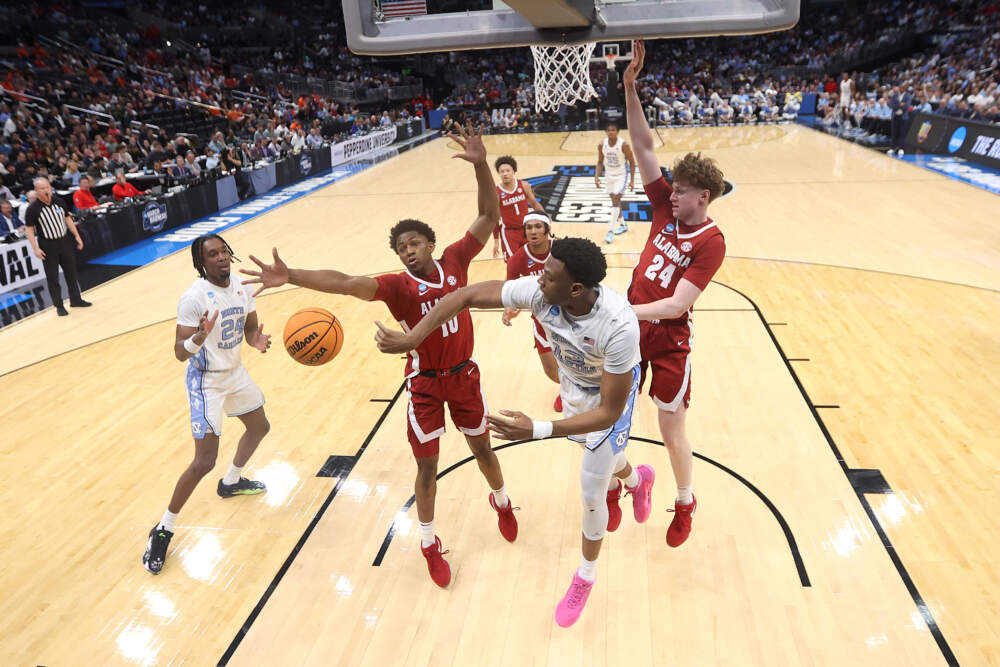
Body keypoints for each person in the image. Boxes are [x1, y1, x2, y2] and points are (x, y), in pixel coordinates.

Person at [241, 124, 517, 589]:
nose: (408, 252)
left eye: (414, 244)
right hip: (425, 383)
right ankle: (428, 542)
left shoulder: (455, 260)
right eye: (401, 248)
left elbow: (490, 215)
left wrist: (481, 166)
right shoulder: (396, 286)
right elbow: (346, 282)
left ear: (430, 244)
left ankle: (503, 502)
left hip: (465, 377)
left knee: (482, 449)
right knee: (427, 466)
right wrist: (293, 276)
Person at [375, 236, 656, 628]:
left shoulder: (619, 325)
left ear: (575, 289)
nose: (539, 279)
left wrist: (537, 428)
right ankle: (637, 479)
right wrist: (412, 337)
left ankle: (585, 576)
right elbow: (464, 296)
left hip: (611, 394)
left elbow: (608, 412)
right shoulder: (540, 291)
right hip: (574, 384)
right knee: (599, 454)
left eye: (549, 276)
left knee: (591, 488)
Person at [623, 41, 727, 548]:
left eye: (681, 189)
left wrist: (624, 311)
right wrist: (630, 87)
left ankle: (685, 501)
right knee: (608, 419)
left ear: (702, 197)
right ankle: (623, 483)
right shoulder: (665, 206)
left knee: (671, 430)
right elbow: (644, 148)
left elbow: (676, 305)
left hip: (666, 338)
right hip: (630, 330)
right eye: (674, 187)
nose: (672, 192)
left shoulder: (711, 241)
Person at [141, 234, 273, 575]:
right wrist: (199, 335)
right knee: (204, 462)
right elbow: (179, 352)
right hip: (206, 382)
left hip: (235, 373)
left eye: (224, 251)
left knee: (259, 427)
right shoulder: (194, 298)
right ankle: (163, 528)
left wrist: (256, 340)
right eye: (213, 254)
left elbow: (250, 329)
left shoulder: (242, 288)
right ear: (201, 262)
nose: (221, 257)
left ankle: (232, 482)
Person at [501, 212, 561, 411]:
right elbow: (510, 292)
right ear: (524, 231)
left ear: (547, 229)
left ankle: (578, 389)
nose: (533, 231)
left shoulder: (561, 251)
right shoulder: (517, 259)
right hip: (542, 320)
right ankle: (569, 387)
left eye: (538, 226)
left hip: (569, 316)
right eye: (529, 227)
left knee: (579, 361)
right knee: (551, 370)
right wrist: (510, 309)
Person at [23, 177, 91, 316]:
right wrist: (35, 248)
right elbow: (29, 229)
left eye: (47, 187)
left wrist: (76, 235)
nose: (46, 190)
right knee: (53, 277)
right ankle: (59, 305)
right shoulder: (32, 209)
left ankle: (76, 299)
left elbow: (67, 219)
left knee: (71, 272)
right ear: (36, 191)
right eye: (42, 188)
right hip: (48, 245)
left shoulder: (59, 201)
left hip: (64, 241)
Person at [492, 155, 545, 261]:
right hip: (509, 233)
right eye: (502, 171)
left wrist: (544, 217)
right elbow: (494, 218)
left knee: (532, 260)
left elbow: (534, 204)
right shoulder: (496, 193)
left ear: (513, 171)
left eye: (508, 170)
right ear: (499, 173)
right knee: (512, 263)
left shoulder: (524, 185)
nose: (505, 174)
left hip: (527, 229)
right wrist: (496, 241)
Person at [594, 123, 635, 244]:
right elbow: (600, 162)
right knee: (614, 201)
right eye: (608, 130)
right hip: (609, 175)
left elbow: (632, 162)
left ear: (618, 132)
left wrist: (632, 181)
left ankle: (610, 231)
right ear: (606, 132)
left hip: (621, 176)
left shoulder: (624, 145)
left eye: (613, 130)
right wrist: (596, 177)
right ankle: (623, 224)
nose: (611, 132)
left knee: (616, 200)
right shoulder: (602, 145)